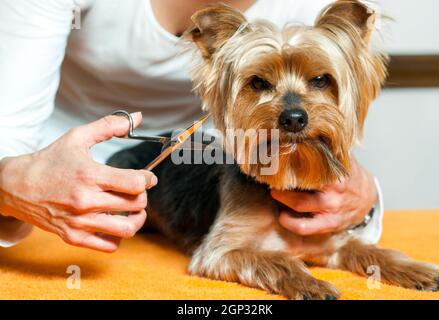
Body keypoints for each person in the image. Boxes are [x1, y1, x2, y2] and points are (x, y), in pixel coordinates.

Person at [0, 0, 382, 253]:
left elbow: (337, 125)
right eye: (260, 83)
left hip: (213, 161)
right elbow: (7, 134)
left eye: (317, 81)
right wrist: (13, 181)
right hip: (51, 167)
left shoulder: (331, 8)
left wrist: (365, 200)